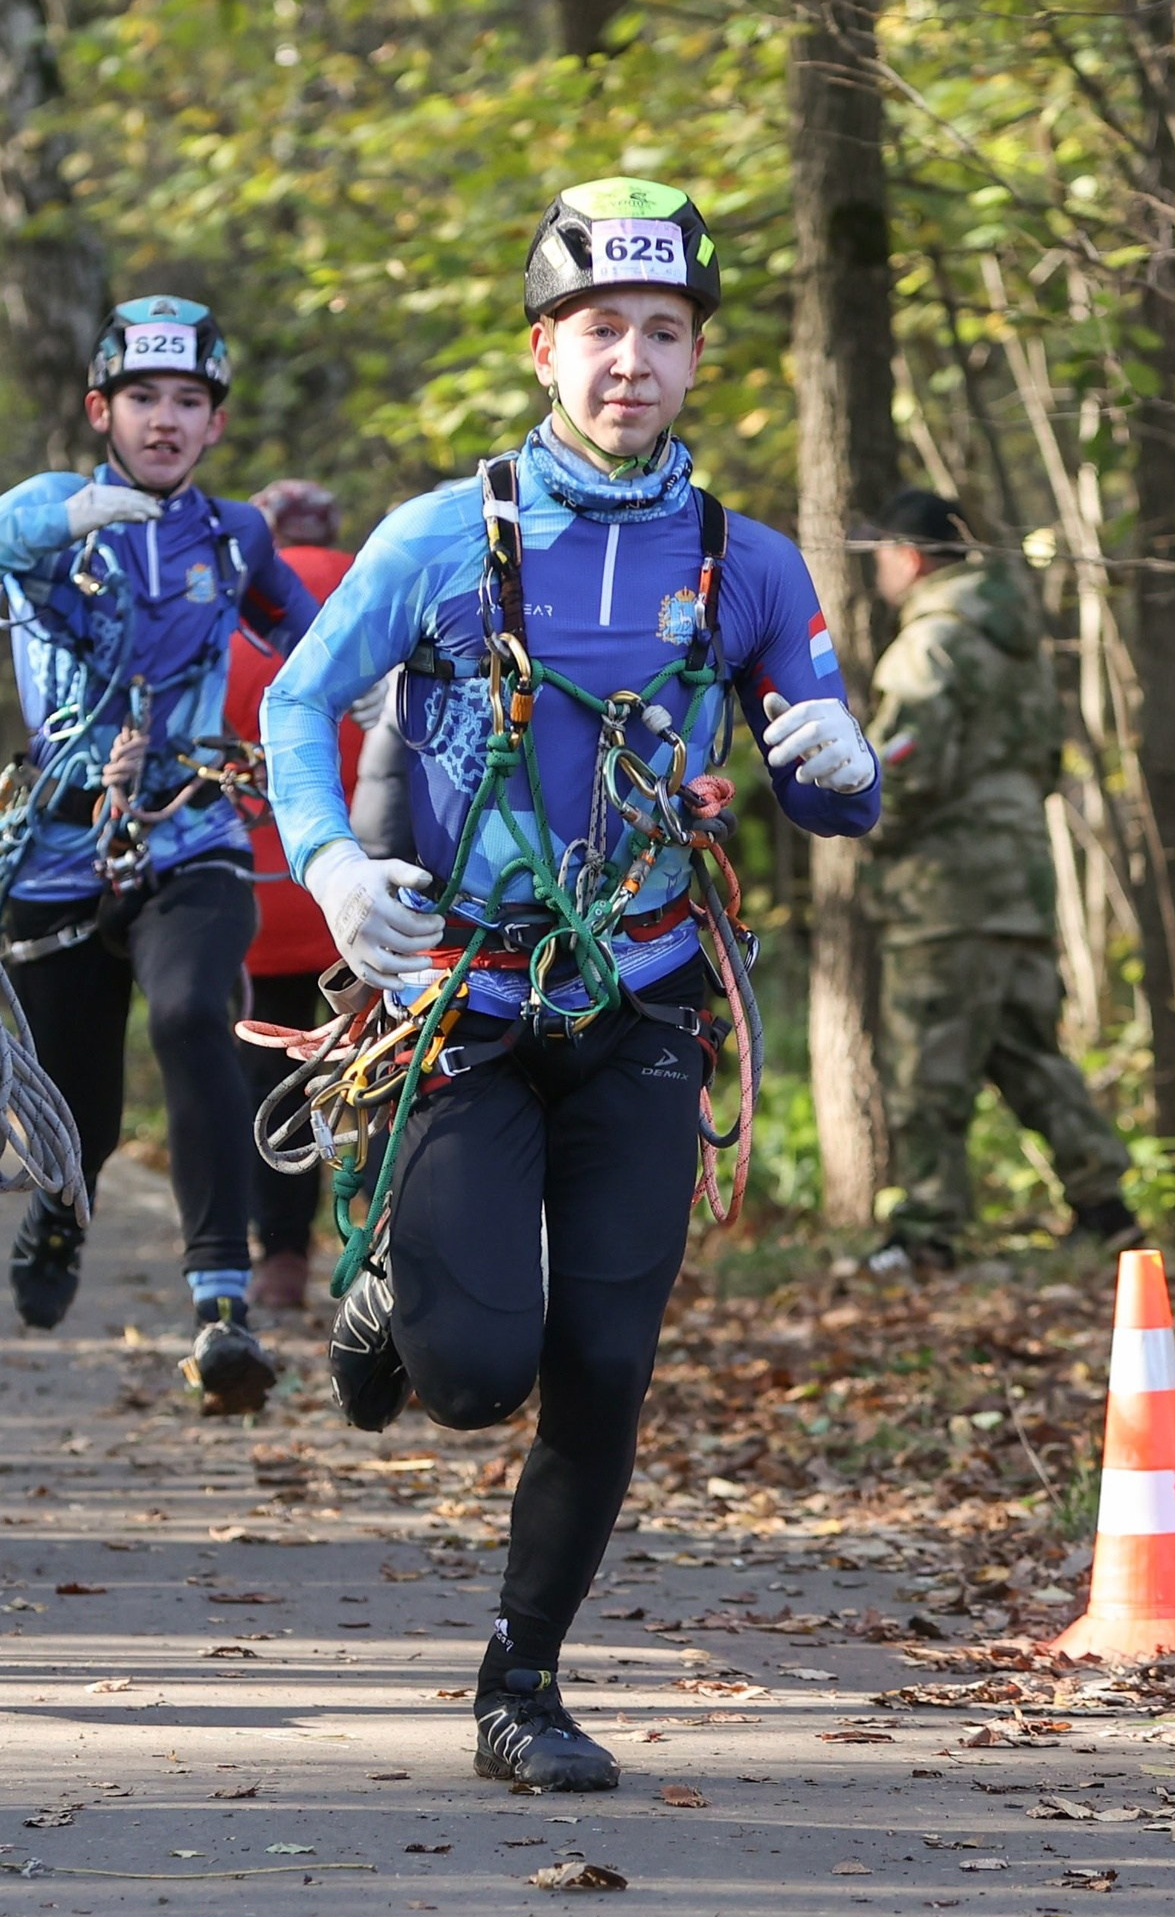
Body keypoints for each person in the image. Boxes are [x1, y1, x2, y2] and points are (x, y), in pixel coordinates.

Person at [261, 179, 881, 1791]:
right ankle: (396, 1284)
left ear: (696, 361)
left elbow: (827, 784)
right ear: (545, 351)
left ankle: (521, 1681)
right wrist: (330, 865)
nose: (631, 361)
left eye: (663, 334)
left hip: (646, 1007)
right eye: (601, 330)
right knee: (475, 1382)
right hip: (463, 1004)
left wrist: (843, 764)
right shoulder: (437, 539)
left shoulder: (747, 564)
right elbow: (294, 707)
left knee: (606, 1364)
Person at [0, 297, 320, 1415]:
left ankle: (222, 1303)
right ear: (99, 408)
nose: (165, 421)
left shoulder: (235, 535)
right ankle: (63, 1201)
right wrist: (46, 530)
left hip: (192, 830)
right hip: (58, 841)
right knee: (79, 1107)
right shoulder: (42, 507)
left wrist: (414, 677)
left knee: (187, 1015)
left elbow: (317, 640)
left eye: (188, 402)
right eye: (144, 398)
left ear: (214, 424)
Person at [854, 487, 1137, 1271]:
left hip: (947, 886)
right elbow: (1045, 759)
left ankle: (926, 1232)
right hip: (1022, 873)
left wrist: (871, 834)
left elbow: (905, 771)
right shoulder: (1017, 640)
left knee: (928, 1059)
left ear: (908, 558)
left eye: (880, 554)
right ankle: (1106, 1206)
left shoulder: (931, 644)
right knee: (1025, 1049)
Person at [229, 479, 365, 1314]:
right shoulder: (370, 587)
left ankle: (279, 1260)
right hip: (365, 894)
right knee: (381, 1075)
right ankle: (376, 1246)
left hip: (257, 899)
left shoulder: (236, 608)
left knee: (265, 1079)